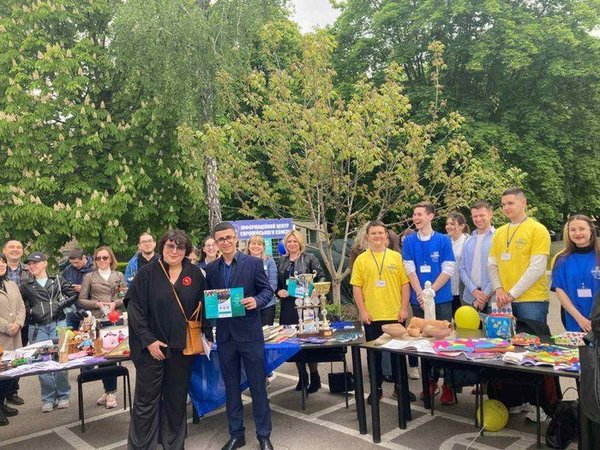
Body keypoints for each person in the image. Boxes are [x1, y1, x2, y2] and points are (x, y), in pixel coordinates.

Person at [126, 230, 212, 450]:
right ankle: (142, 446)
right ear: (162, 247)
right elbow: (134, 309)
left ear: (186, 251)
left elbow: (204, 307)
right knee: (146, 402)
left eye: (180, 247)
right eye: (170, 246)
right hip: (151, 349)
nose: (174, 251)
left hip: (181, 349)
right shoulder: (147, 273)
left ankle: (173, 444)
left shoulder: (195, 274)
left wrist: (207, 336)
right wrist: (148, 340)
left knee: (176, 400)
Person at [205, 222, 274, 450]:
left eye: (228, 237)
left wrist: (257, 300)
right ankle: (236, 434)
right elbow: (208, 300)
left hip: (250, 334)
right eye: (220, 239)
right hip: (226, 337)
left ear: (236, 238)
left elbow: (267, 291)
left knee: (258, 386)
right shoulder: (211, 269)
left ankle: (264, 435)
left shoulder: (253, 263)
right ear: (215, 243)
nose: (225, 242)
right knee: (231, 388)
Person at [351, 221, 412, 404]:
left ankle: (400, 388)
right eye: (374, 233)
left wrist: (403, 308)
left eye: (380, 233)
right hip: (372, 316)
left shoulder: (396, 257)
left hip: (395, 315)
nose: (378, 236)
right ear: (367, 236)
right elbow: (357, 288)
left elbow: (405, 285)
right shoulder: (361, 260)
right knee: (373, 355)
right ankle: (376, 389)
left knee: (398, 355)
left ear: (386, 236)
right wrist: (363, 311)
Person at [402, 201, 455, 404]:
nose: (416, 218)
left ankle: (449, 385)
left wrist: (431, 291)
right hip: (419, 300)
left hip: (441, 299)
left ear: (430, 216)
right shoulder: (409, 241)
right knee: (423, 342)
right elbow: (409, 269)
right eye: (414, 214)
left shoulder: (443, 240)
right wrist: (420, 293)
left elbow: (448, 268)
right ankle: (429, 382)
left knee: (444, 342)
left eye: (420, 214)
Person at [20, 252, 77, 412]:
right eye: (30, 264)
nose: (32, 266)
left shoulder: (57, 279)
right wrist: (32, 311)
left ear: (45, 263)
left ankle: (63, 395)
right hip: (37, 327)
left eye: (35, 263)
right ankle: (48, 398)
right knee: (42, 362)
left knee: (61, 359)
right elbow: (21, 306)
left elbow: (73, 295)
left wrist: (59, 305)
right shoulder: (25, 285)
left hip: (58, 323)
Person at [488, 187, 551, 323]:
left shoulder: (538, 230)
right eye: (503, 204)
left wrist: (512, 294)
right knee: (504, 337)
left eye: (510, 203)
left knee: (532, 337)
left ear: (523, 203)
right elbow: (492, 265)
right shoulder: (499, 232)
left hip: (531, 301)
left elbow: (537, 268)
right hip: (504, 300)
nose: (506, 208)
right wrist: (498, 289)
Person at [276, 230, 326, 393]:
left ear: (300, 243)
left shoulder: (310, 258)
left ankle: (315, 376)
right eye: (289, 242)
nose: (292, 244)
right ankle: (302, 376)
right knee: (294, 341)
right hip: (288, 305)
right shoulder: (281, 261)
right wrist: (279, 291)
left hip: (307, 305)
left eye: (294, 241)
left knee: (308, 340)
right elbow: (277, 284)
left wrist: (316, 290)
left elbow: (322, 276)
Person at [79, 246, 127, 409]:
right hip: (98, 320)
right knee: (101, 357)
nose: (102, 260)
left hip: (114, 320)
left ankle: (111, 392)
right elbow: (82, 300)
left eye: (105, 257)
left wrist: (115, 303)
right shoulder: (89, 277)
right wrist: (97, 304)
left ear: (111, 259)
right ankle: (108, 390)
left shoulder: (119, 275)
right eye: (98, 258)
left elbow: (126, 296)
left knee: (112, 357)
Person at [552, 215, 600, 332]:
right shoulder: (561, 259)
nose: (577, 233)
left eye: (582, 229)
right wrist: (580, 319)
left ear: (591, 231)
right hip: (574, 320)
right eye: (572, 230)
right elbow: (560, 290)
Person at [2, 240, 29, 406]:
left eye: (18, 247)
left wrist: (19, 322)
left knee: (19, 358)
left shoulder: (29, 270)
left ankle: (12, 391)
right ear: (4, 251)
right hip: (3, 326)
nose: (15, 250)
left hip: (22, 322)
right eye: (11, 247)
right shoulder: (3, 272)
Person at [0, 253, 26, 425]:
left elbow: (21, 306)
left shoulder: (12, 284)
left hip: (15, 336)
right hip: (2, 336)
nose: (1, 265)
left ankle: (2, 403)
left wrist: (18, 323)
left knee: (11, 373)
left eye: (3, 262)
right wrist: (7, 326)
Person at [459, 200, 495, 312]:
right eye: (475, 216)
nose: (478, 219)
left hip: (492, 297)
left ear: (490, 214)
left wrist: (484, 295)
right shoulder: (469, 240)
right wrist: (474, 291)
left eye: (482, 215)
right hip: (470, 296)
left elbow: (501, 270)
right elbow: (462, 269)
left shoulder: (498, 238)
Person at [245, 235, 278, 326]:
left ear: (263, 247)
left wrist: (259, 299)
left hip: (267, 305)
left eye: (259, 244)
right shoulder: (242, 263)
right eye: (253, 243)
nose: (256, 246)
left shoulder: (270, 262)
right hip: (248, 305)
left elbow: (273, 284)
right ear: (248, 246)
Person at [62, 247, 94, 329]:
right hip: (72, 311)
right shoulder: (68, 270)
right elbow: (62, 287)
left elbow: (101, 289)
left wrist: (84, 289)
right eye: (72, 263)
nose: (74, 265)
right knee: (69, 334)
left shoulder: (94, 268)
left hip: (91, 310)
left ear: (84, 257)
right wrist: (68, 289)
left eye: (77, 262)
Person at [446, 211, 469, 314]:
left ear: (462, 226)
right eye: (447, 224)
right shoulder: (445, 242)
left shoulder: (468, 241)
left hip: (463, 289)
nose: (448, 226)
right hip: (448, 290)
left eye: (452, 224)